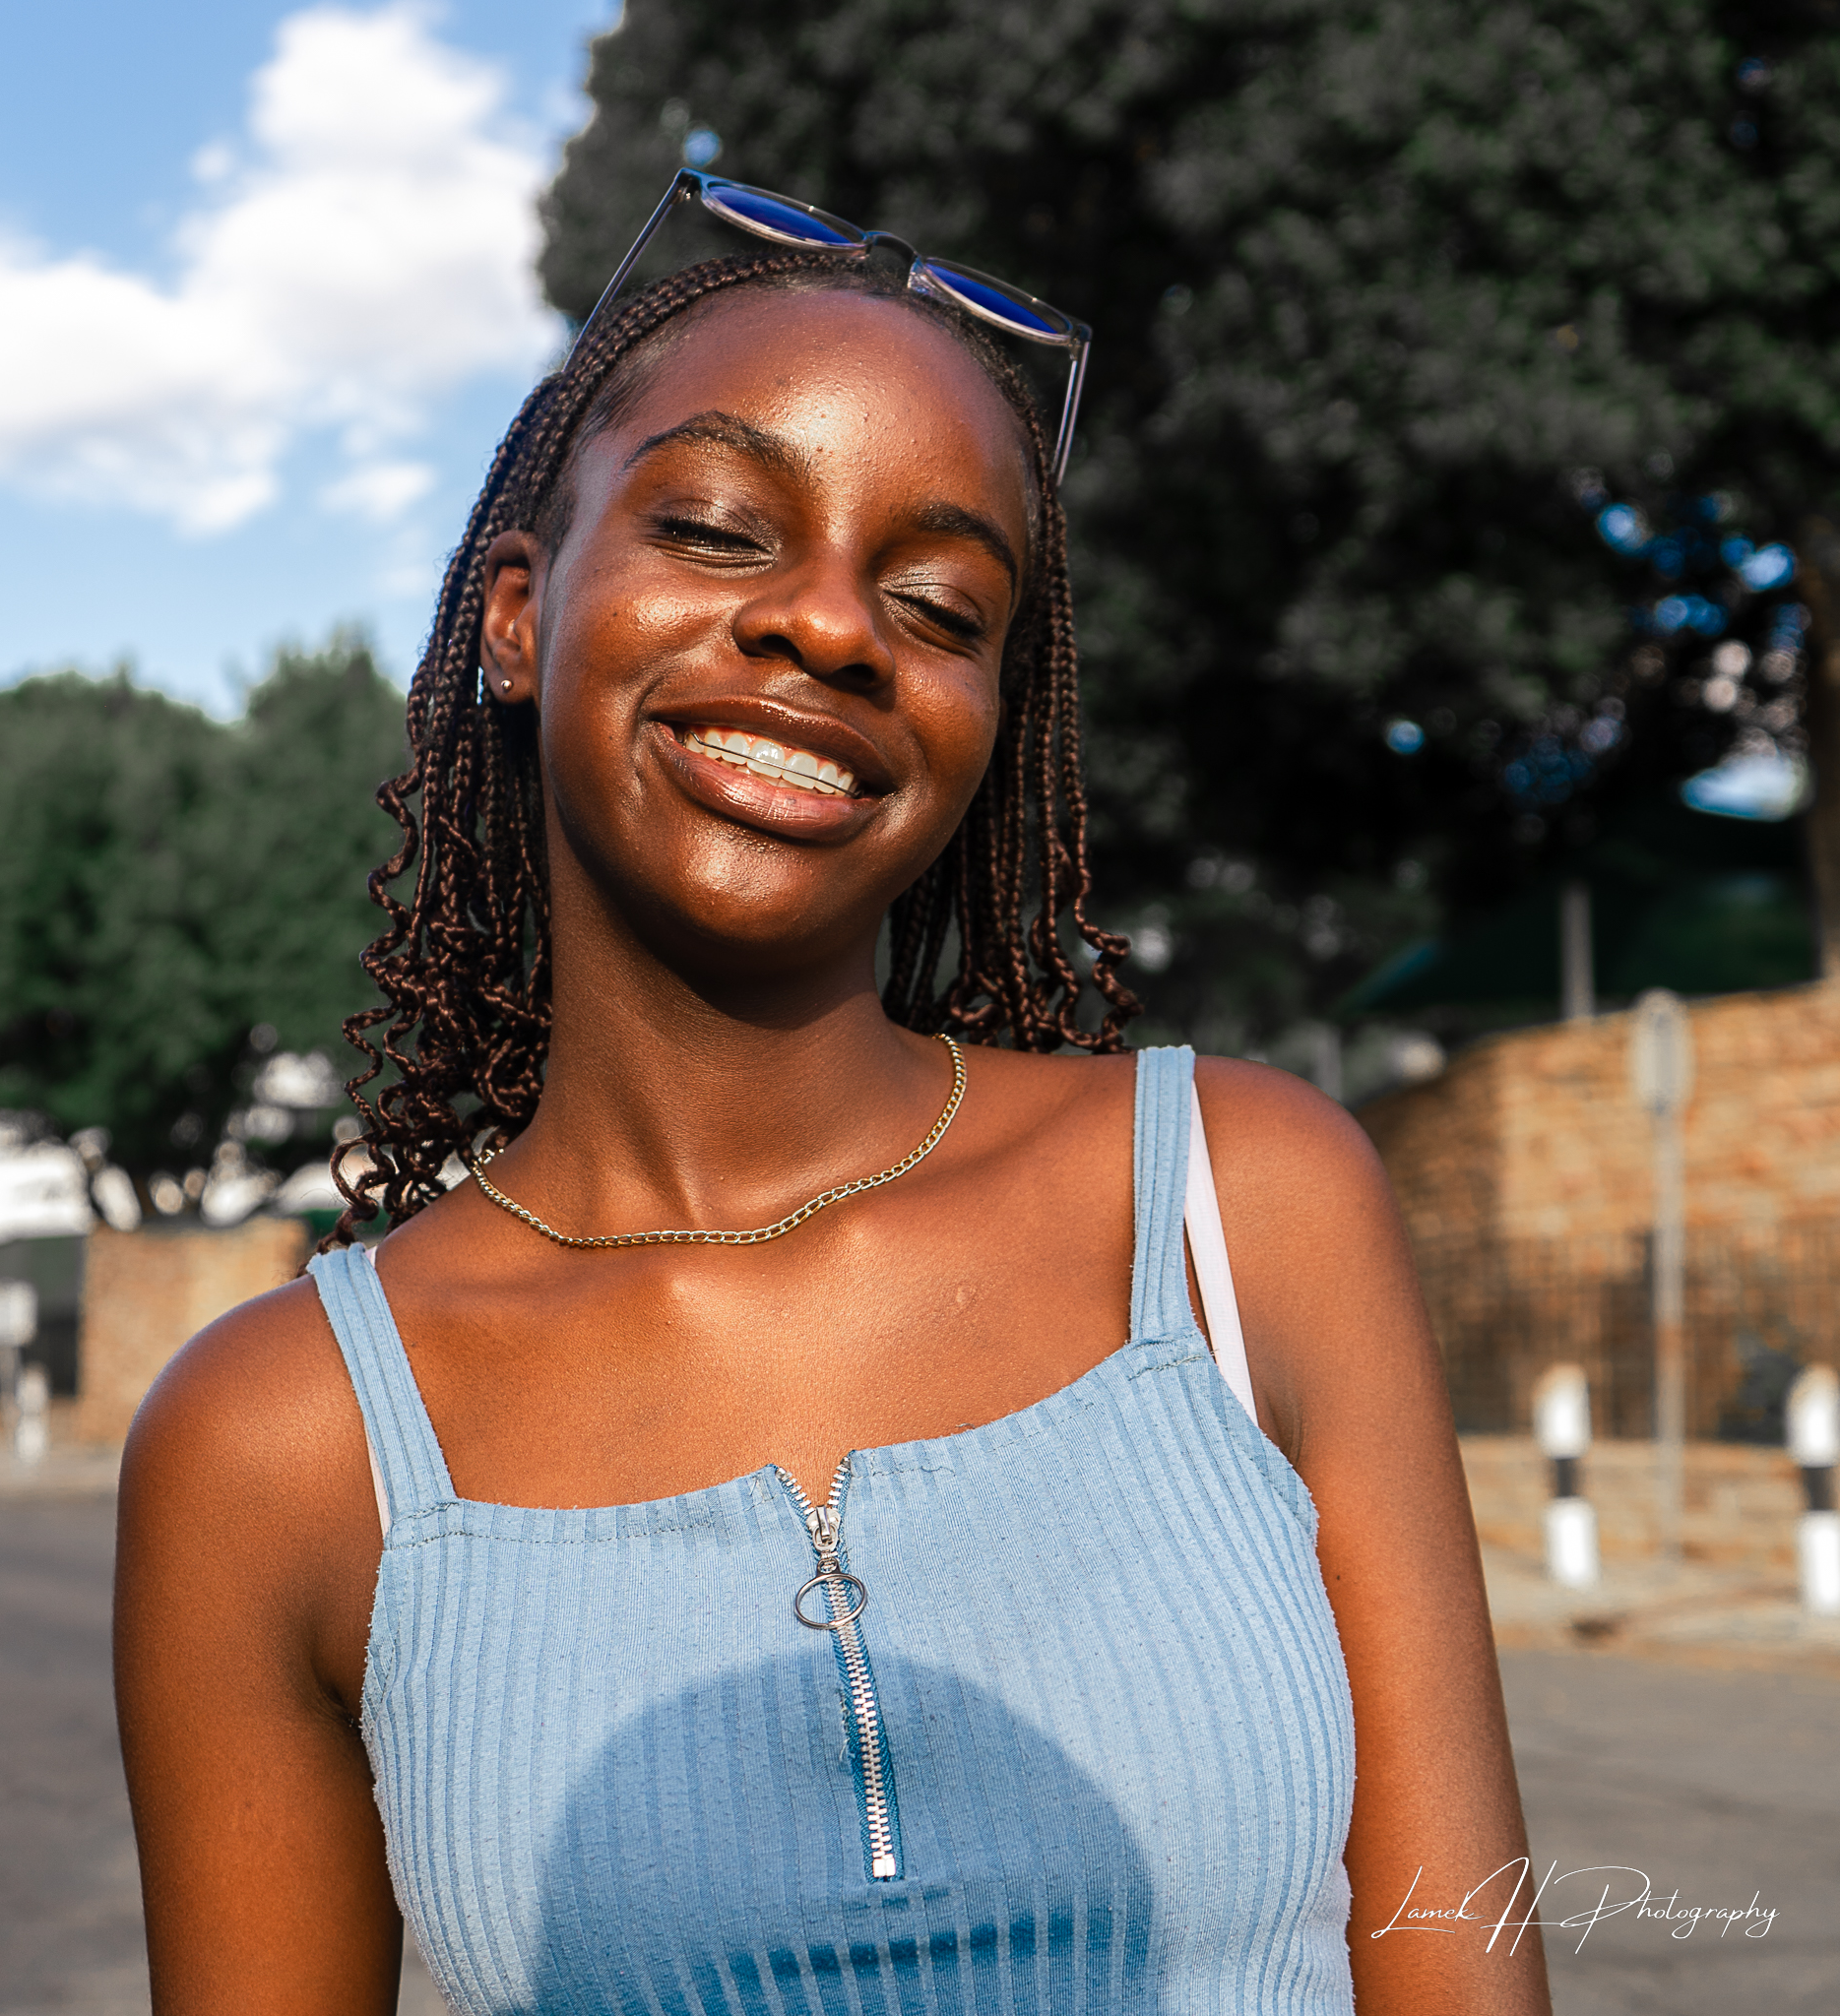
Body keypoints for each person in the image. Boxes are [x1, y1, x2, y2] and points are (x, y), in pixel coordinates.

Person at [115, 176, 1551, 2016]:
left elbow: (1464, 1975)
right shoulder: (279, 1443)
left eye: (939, 602)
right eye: (717, 528)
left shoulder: (1240, 1208)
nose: (831, 626)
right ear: (514, 618)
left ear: (988, 729)